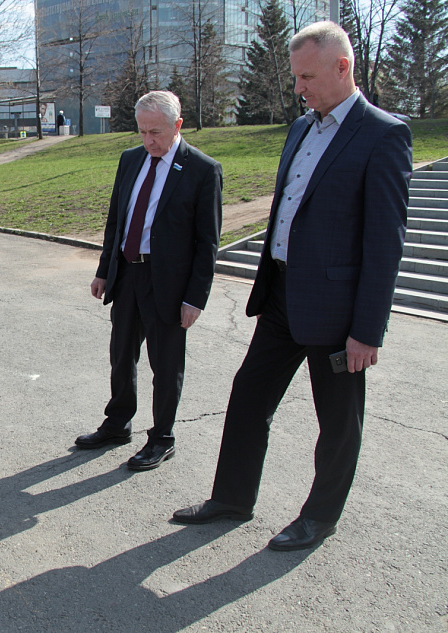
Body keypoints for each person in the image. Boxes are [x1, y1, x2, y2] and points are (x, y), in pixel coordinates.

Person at [172, 22, 412, 551]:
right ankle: (232, 498)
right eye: (296, 76)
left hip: (338, 313)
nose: (299, 88)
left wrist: (367, 331)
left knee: (338, 421)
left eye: (307, 76)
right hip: (281, 297)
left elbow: (384, 245)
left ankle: (319, 517)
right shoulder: (302, 128)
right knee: (248, 395)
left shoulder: (383, 135)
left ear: (342, 67)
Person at [74, 90, 222, 472]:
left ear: (177, 125)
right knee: (121, 355)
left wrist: (196, 298)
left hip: (169, 284)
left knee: (165, 363)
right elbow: (116, 221)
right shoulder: (131, 160)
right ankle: (118, 422)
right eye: (141, 132)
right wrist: (105, 269)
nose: (148, 140)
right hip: (127, 273)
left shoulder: (203, 170)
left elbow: (208, 243)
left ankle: (162, 437)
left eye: (155, 132)